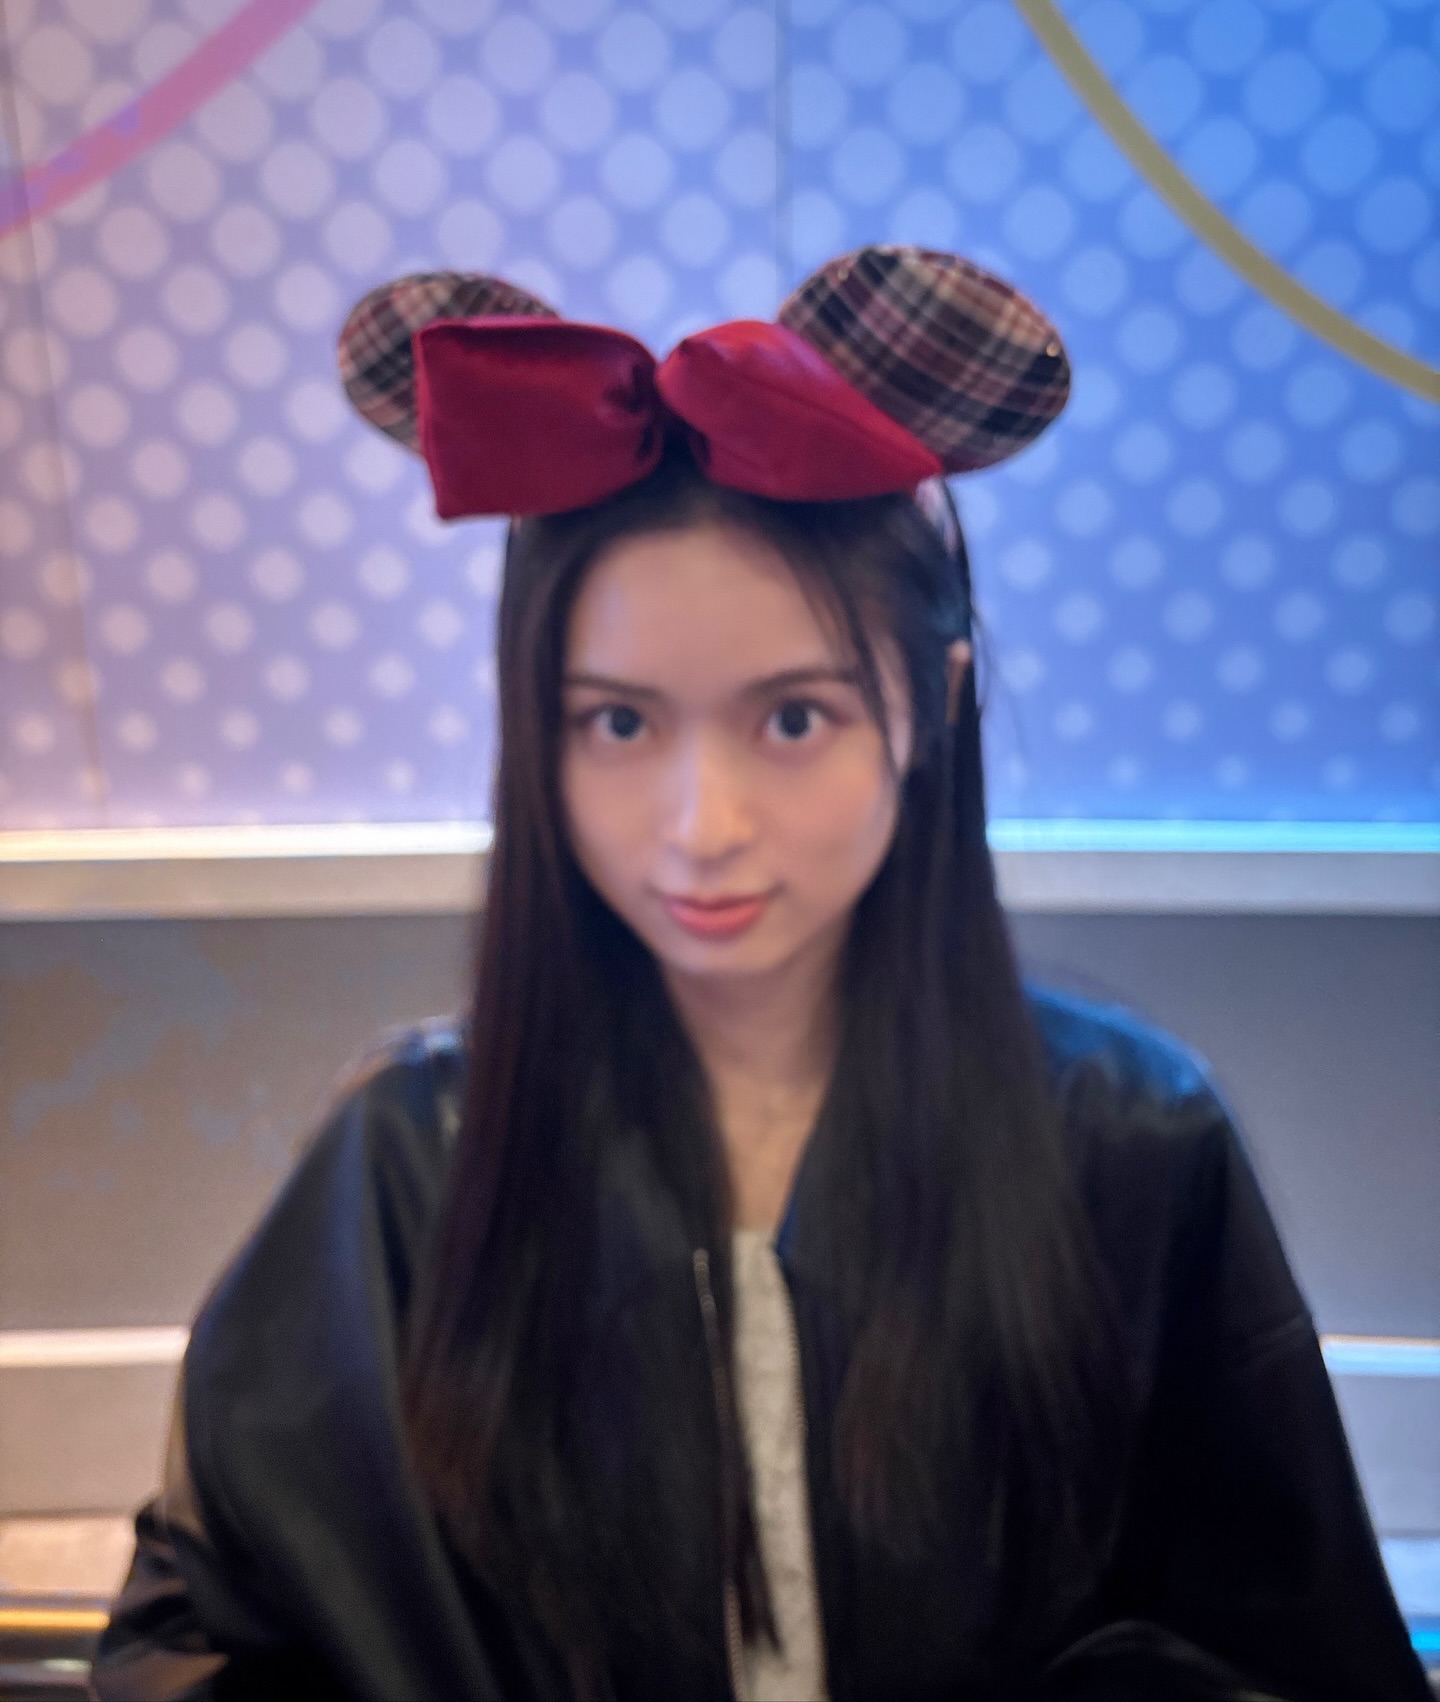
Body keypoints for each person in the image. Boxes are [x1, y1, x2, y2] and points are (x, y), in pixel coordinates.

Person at [93, 248, 1427, 1702]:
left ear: (934, 703)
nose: (702, 825)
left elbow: (1280, 1647)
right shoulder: (407, 1164)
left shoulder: (1130, 1141)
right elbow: (200, 1632)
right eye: (618, 724)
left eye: (793, 719)